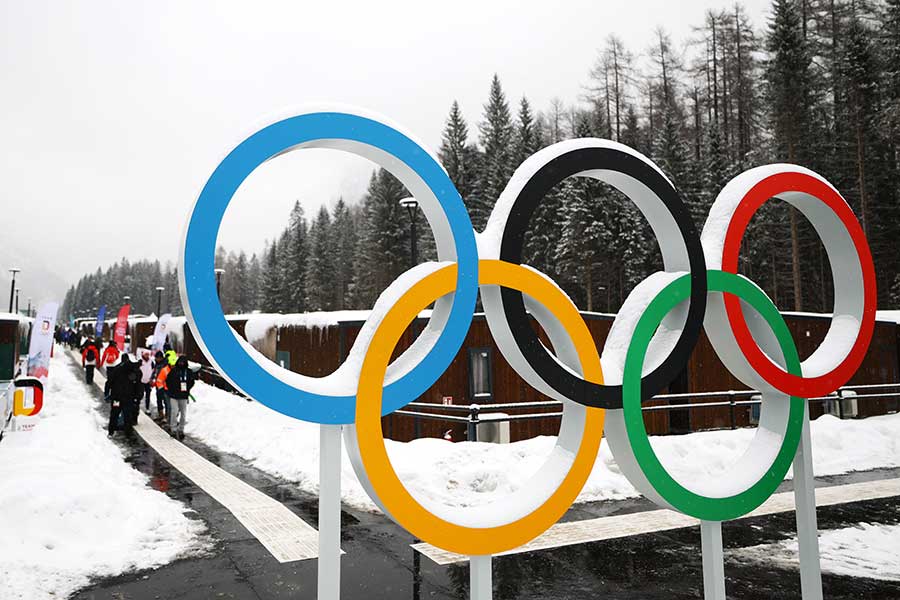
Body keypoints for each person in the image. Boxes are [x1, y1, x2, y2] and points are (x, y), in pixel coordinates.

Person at [107, 354, 142, 438]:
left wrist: (107, 393)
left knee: (114, 414)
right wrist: (138, 396)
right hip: (128, 397)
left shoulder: (116, 369)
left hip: (117, 397)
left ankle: (111, 432)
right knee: (128, 415)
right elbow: (138, 384)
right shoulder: (134, 370)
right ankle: (128, 433)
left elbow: (109, 382)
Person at [165, 355, 195, 440]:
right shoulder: (174, 371)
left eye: (183, 362)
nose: (181, 363)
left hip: (183, 395)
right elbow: (168, 381)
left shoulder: (188, 372)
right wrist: (171, 389)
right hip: (174, 395)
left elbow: (191, 382)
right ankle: (173, 429)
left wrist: (187, 389)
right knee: (174, 412)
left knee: (183, 414)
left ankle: (181, 429)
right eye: (180, 362)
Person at [153, 351, 171, 422]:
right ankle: (160, 414)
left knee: (166, 401)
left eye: (158, 358)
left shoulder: (164, 365)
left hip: (165, 386)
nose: (157, 359)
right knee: (159, 400)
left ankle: (167, 416)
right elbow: (154, 372)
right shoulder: (156, 364)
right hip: (158, 385)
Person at [139, 350, 154, 415]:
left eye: (148, 354)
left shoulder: (151, 362)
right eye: (146, 354)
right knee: (139, 395)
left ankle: (147, 408)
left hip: (148, 381)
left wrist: (152, 379)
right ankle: (137, 407)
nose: (147, 356)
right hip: (141, 381)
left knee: (148, 395)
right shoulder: (140, 361)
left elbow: (154, 371)